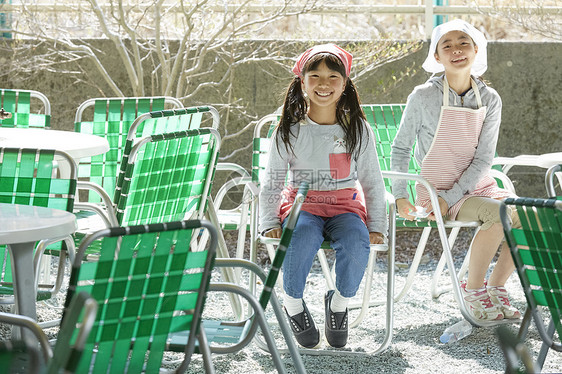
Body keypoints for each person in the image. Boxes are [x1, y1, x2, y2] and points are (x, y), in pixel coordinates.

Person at [391, 19, 522, 321]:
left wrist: (453, 196)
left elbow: (484, 158)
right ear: (436, 57)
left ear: (477, 50)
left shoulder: (490, 99)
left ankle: (496, 287)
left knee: (530, 216)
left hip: (477, 186)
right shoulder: (423, 96)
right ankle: (473, 290)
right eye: (446, 45)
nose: (456, 50)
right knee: (499, 213)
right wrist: (400, 197)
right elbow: (400, 149)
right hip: (434, 192)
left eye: (463, 42)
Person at [259, 43, 388, 348]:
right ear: (301, 82)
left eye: (333, 76)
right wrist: (268, 220)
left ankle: (339, 303)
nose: (324, 84)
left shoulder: (358, 128)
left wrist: (377, 225)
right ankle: (293, 303)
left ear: (345, 84)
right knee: (300, 237)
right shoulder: (289, 129)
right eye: (314, 75)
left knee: (357, 243)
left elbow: (372, 179)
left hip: (346, 207)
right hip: (303, 205)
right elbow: (273, 179)